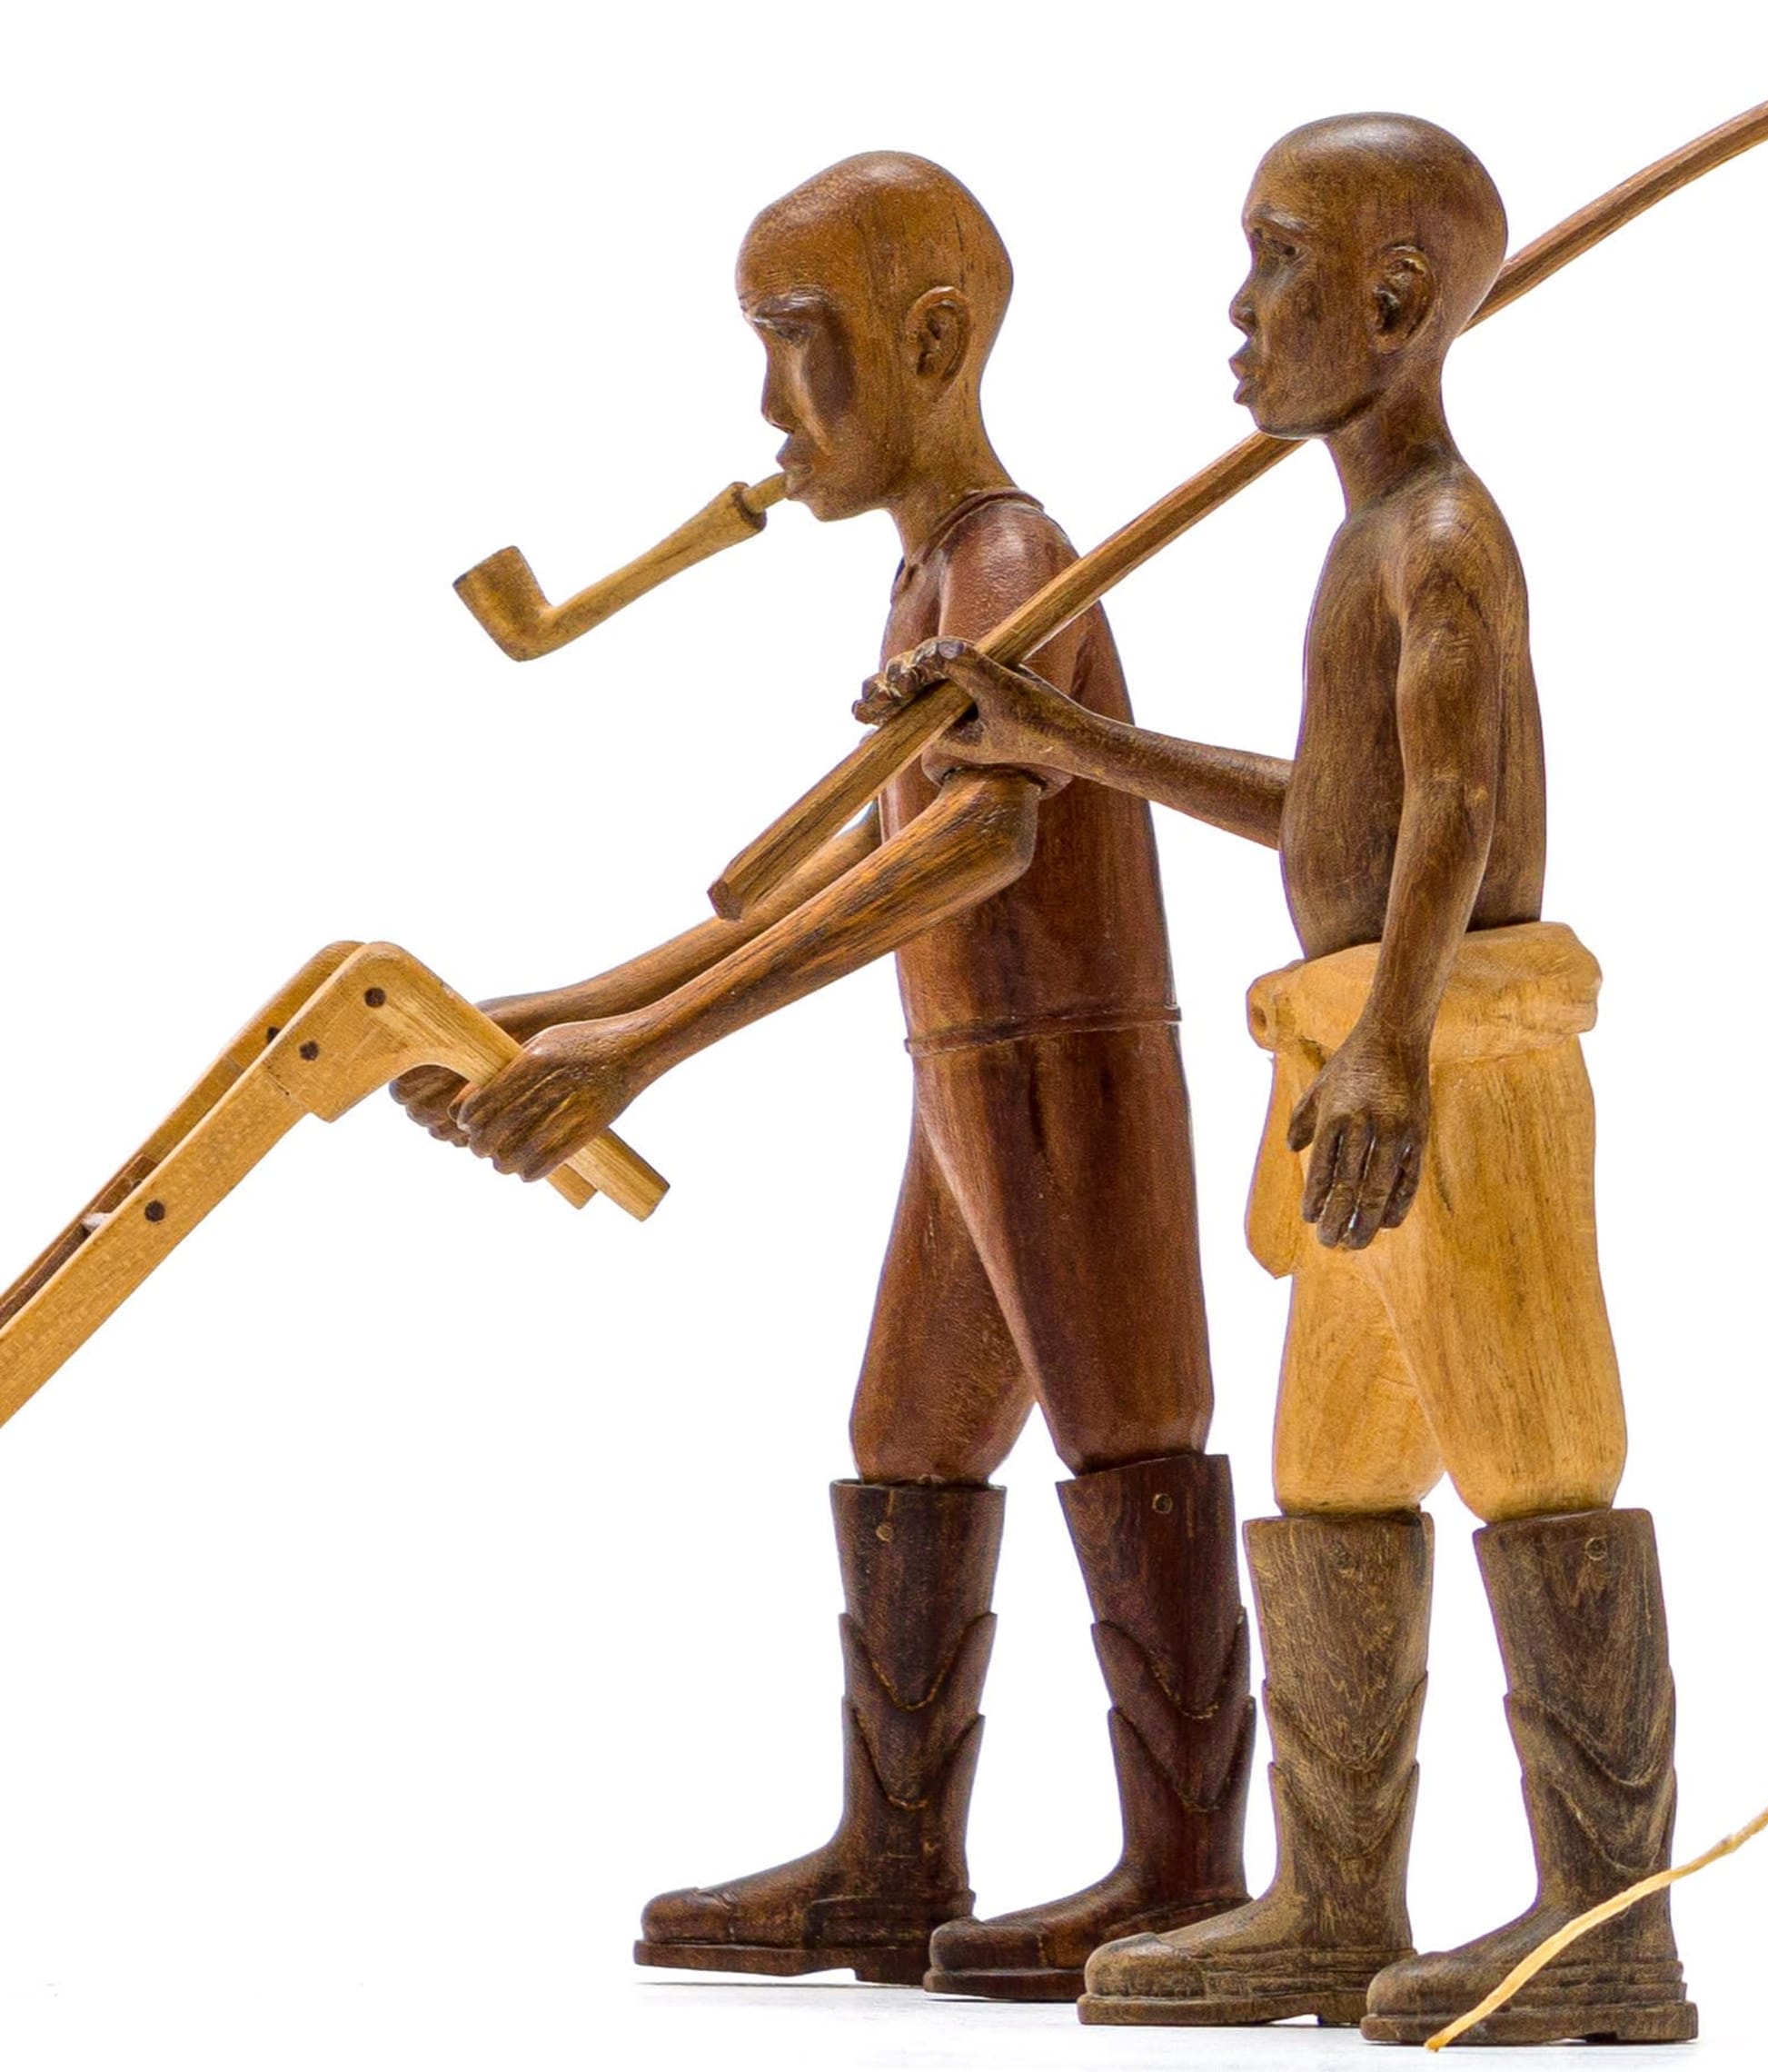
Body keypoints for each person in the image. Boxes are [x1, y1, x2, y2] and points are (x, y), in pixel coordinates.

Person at [869, 115, 1698, 2045]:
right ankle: (1332, 1902)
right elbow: (1336, 811)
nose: (1239, 315)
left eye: (1278, 266)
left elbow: (1458, 807)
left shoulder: (1443, 539)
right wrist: (1059, 732)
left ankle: (1607, 1927)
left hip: (1452, 1069)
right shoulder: (1368, 535)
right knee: (1334, 1478)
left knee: (1538, 1460)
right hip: (1352, 1066)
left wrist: (1398, 1040)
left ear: (1396, 306)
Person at [400, 152, 1252, 2002]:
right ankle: (894, 1859)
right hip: (969, 1078)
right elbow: (832, 878)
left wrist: (645, 1049)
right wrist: (564, 1015)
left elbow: (969, 850)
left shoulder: (1008, 566)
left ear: (933, 343)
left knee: (1130, 1438)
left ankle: (1187, 1875)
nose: (770, 402)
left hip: (1067, 1074)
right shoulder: (930, 576)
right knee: (908, 1442)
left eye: (801, 343)